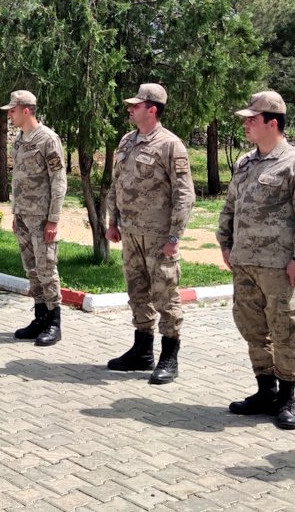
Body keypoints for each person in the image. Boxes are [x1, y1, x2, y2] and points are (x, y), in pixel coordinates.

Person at [218, 91, 295, 430]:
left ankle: (287, 397)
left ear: (273, 122)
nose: (246, 124)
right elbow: (231, 206)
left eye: (253, 118)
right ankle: (265, 391)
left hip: (280, 266)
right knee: (253, 330)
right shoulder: (246, 162)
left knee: (286, 331)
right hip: (245, 263)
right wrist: (225, 241)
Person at [106, 83, 195, 384]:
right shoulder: (127, 141)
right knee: (137, 292)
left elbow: (185, 195)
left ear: (152, 109)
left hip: (158, 236)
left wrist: (174, 237)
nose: (130, 109)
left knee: (165, 294)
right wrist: (112, 221)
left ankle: (169, 356)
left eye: (136, 105)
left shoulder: (171, 145)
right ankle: (142, 350)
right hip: (130, 233)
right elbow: (116, 184)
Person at [3, 90, 67, 346]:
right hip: (24, 216)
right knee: (31, 269)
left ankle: (54, 321)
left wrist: (53, 219)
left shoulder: (47, 139)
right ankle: (40, 315)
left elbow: (59, 180)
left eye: (13, 110)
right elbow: (19, 180)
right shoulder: (19, 141)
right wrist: (16, 212)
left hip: (42, 218)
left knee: (46, 268)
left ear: (26, 110)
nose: (10, 114)